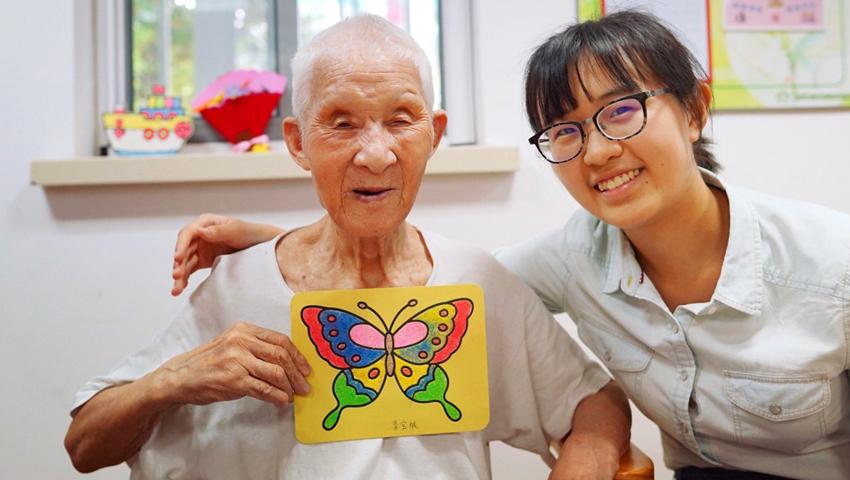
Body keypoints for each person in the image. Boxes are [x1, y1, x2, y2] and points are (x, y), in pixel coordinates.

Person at [169, 10, 850, 480]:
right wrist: (277, 240)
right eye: (565, 130)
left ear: (696, 109)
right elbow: (437, 286)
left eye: (622, 112)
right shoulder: (574, 260)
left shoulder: (841, 264)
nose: (598, 151)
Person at [65, 15, 632, 480]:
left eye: (401, 120)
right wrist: (176, 377)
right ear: (298, 141)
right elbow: (84, 444)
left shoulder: (474, 282)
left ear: (434, 135)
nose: (376, 154)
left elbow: (595, 402)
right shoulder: (239, 286)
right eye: (341, 123)